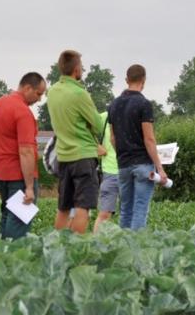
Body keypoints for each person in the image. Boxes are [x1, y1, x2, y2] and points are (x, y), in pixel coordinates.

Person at [0, 72, 46, 239]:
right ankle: (12, 259)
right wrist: (29, 187)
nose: (39, 99)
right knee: (18, 221)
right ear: (27, 88)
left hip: (2, 175)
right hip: (19, 177)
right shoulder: (23, 112)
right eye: (38, 93)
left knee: (7, 216)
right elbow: (26, 151)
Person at [47, 50, 104, 234]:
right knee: (82, 207)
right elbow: (98, 124)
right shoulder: (80, 94)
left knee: (63, 207)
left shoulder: (53, 92)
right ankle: (76, 247)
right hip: (84, 156)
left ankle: (58, 245)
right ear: (77, 70)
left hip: (63, 156)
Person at [108, 64, 167, 230]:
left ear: (127, 80)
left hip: (123, 164)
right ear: (143, 81)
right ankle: (137, 250)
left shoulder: (114, 104)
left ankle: (124, 248)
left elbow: (113, 138)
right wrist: (159, 168)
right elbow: (149, 138)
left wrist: (121, 154)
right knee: (140, 209)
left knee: (125, 210)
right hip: (143, 164)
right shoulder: (144, 104)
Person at [93, 111, 119, 232]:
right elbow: (82, 128)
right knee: (105, 214)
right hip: (110, 171)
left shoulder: (137, 114)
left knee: (130, 214)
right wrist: (96, 146)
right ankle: (96, 246)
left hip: (132, 170)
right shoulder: (105, 116)